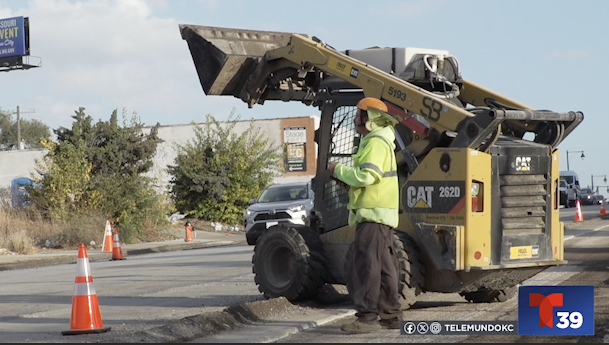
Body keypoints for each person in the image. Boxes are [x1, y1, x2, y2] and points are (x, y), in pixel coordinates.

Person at [328, 97, 402, 334]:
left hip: (372, 215)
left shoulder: (374, 142)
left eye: (358, 114)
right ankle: (391, 316)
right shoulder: (383, 141)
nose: (354, 119)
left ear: (369, 119)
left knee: (367, 267)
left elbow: (367, 176)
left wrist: (337, 170)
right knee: (386, 268)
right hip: (382, 215)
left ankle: (367, 318)